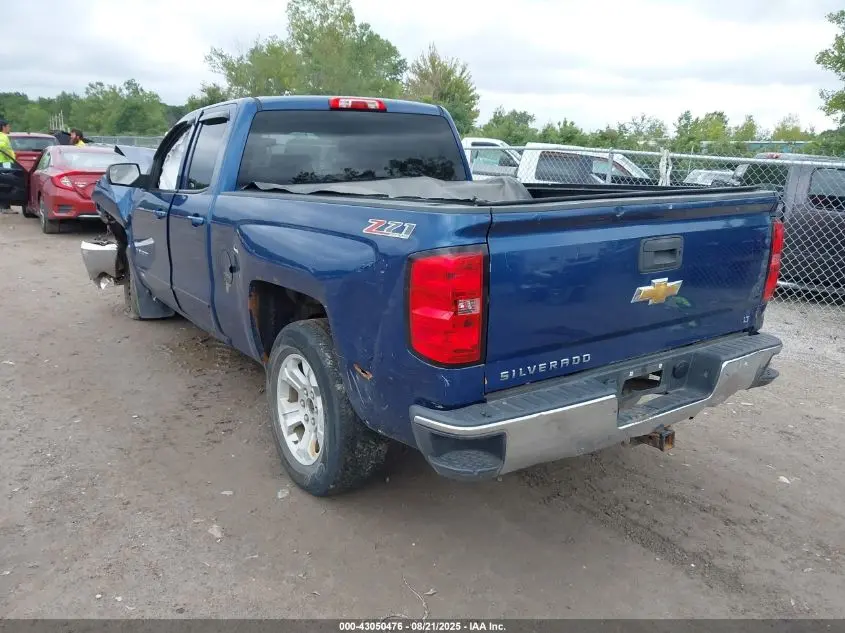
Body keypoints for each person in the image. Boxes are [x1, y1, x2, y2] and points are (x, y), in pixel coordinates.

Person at [0, 118, 15, 213]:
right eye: (8, 126)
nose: (9, 128)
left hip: (4, 162)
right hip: (4, 163)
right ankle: (5, 207)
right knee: (6, 185)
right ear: (3, 127)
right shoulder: (3, 137)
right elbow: (2, 146)